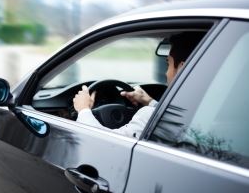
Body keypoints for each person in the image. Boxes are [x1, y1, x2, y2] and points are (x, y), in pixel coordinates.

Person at [73, 32, 204, 138]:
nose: (166, 73)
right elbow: (170, 117)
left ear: (182, 69)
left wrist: (83, 109)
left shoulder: (149, 117)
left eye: (168, 64)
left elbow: (107, 143)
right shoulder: (204, 111)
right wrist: (150, 102)